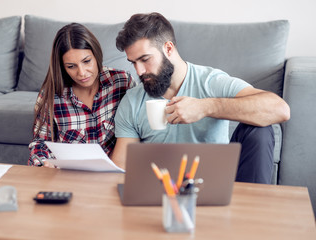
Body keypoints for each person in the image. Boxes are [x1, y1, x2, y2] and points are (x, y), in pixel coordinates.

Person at [111, 12, 290, 184]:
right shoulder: (133, 100)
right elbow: (121, 166)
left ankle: (252, 212)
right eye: (133, 62)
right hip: (162, 187)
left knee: (259, 130)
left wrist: (205, 107)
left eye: (145, 59)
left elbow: (279, 109)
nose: (138, 71)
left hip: (215, 182)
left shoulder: (211, 82)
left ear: (168, 48)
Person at [28, 23, 136, 167]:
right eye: (71, 66)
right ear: (62, 67)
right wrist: (43, 164)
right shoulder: (52, 96)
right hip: (70, 176)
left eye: (87, 61)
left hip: (111, 175)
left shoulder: (122, 82)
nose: (82, 73)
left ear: (96, 55)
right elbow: (40, 143)